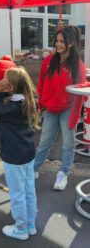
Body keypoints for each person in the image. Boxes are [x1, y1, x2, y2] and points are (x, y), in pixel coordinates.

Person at [0, 67, 39, 241]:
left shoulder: (12, 108)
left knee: (17, 194)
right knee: (29, 190)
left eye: (6, 81)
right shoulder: (28, 100)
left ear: (12, 87)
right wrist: (1, 93)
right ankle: (30, 224)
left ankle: (20, 228)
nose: (2, 82)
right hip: (28, 153)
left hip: (14, 156)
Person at [34, 26, 86, 191]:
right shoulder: (49, 61)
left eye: (61, 41)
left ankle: (63, 173)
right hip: (50, 108)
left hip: (68, 110)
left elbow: (80, 95)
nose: (57, 44)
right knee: (44, 143)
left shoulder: (78, 66)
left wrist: (74, 117)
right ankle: (34, 169)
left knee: (68, 144)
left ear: (70, 43)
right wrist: (40, 106)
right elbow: (41, 83)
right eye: (56, 40)